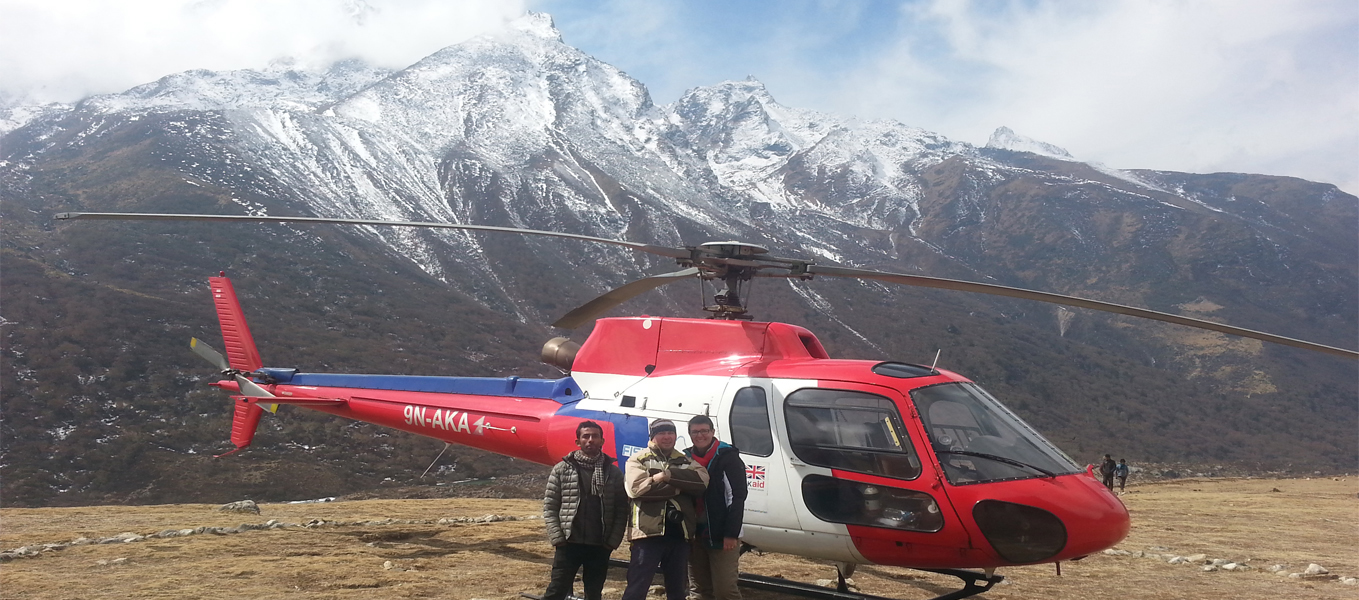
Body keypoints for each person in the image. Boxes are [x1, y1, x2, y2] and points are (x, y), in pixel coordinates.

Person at [621, 419, 710, 600]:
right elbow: (637, 489)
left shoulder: (684, 459)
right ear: (653, 436)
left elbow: (702, 482)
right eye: (662, 433)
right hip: (647, 535)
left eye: (671, 433)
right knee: (637, 589)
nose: (667, 437)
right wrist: (680, 487)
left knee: (677, 591)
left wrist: (666, 476)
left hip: (680, 535)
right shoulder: (638, 459)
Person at [541, 421, 629, 600]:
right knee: (555, 591)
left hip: (599, 545)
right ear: (578, 441)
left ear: (602, 440)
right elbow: (550, 506)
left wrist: (611, 542)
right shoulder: (562, 469)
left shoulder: (613, 473)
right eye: (586, 436)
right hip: (568, 543)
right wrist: (558, 538)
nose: (590, 440)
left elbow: (622, 510)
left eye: (595, 436)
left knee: (594, 594)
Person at [683, 415, 748, 600]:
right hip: (695, 533)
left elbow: (737, 497)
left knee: (725, 590)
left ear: (712, 432)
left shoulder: (727, 457)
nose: (700, 435)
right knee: (699, 590)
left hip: (722, 533)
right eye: (695, 432)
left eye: (704, 431)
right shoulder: (685, 458)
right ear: (689, 434)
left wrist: (731, 533)